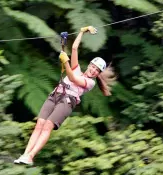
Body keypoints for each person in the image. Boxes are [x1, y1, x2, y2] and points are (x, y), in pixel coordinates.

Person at [14, 26, 116, 165]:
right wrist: (82, 32)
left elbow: (73, 78)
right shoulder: (78, 68)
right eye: (93, 67)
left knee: (47, 126)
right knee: (39, 124)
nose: (93, 71)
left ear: (98, 74)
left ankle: (31, 156)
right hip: (55, 95)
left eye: (97, 70)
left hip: (67, 101)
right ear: (90, 65)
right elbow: (74, 48)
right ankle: (25, 154)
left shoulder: (90, 83)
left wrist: (65, 61)